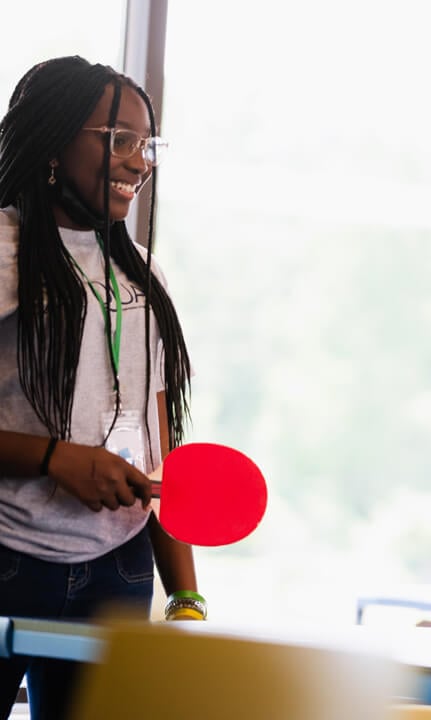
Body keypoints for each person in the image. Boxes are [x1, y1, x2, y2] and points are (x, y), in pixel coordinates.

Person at [0, 56, 205, 719]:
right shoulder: (5, 251)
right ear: (57, 142)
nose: (139, 162)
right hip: (10, 558)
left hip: (119, 569)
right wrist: (58, 459)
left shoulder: (143, 276)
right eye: (118, 140)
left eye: (147, 145)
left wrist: (185, 594)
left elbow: (158, 444)